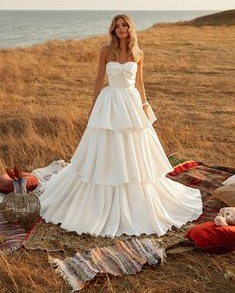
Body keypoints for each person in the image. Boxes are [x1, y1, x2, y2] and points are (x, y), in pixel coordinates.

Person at [39, 14, 203, 237]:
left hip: (131, 103)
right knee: (106, 146)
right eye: (117, 26)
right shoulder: (106, 51)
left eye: (124, 25)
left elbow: (139, 82)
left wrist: (145, 104)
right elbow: (98, 80)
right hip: (109, 102)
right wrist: (93, 106)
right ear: (113, 30)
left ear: (130, 28)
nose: (121, 29)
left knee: (134, 148)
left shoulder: (138, 53)